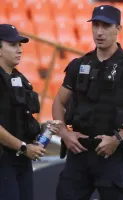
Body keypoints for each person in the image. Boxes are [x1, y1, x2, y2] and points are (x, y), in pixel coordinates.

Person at [52, 5, 123, 200]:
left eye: (106, 26)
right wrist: (64, 134)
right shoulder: (79, 65)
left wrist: (118, 138)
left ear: (118, 29)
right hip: (78, 154)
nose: (99, 32)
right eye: (96, 25)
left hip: (112, 155)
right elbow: (58, 102)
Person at [0, 24, 60, 200]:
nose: (19, 49)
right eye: (12, 45)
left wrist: (43, 129)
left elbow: (19, 120)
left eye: (20, 45)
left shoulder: (20, 79)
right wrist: (24, 147)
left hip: (22, 160)